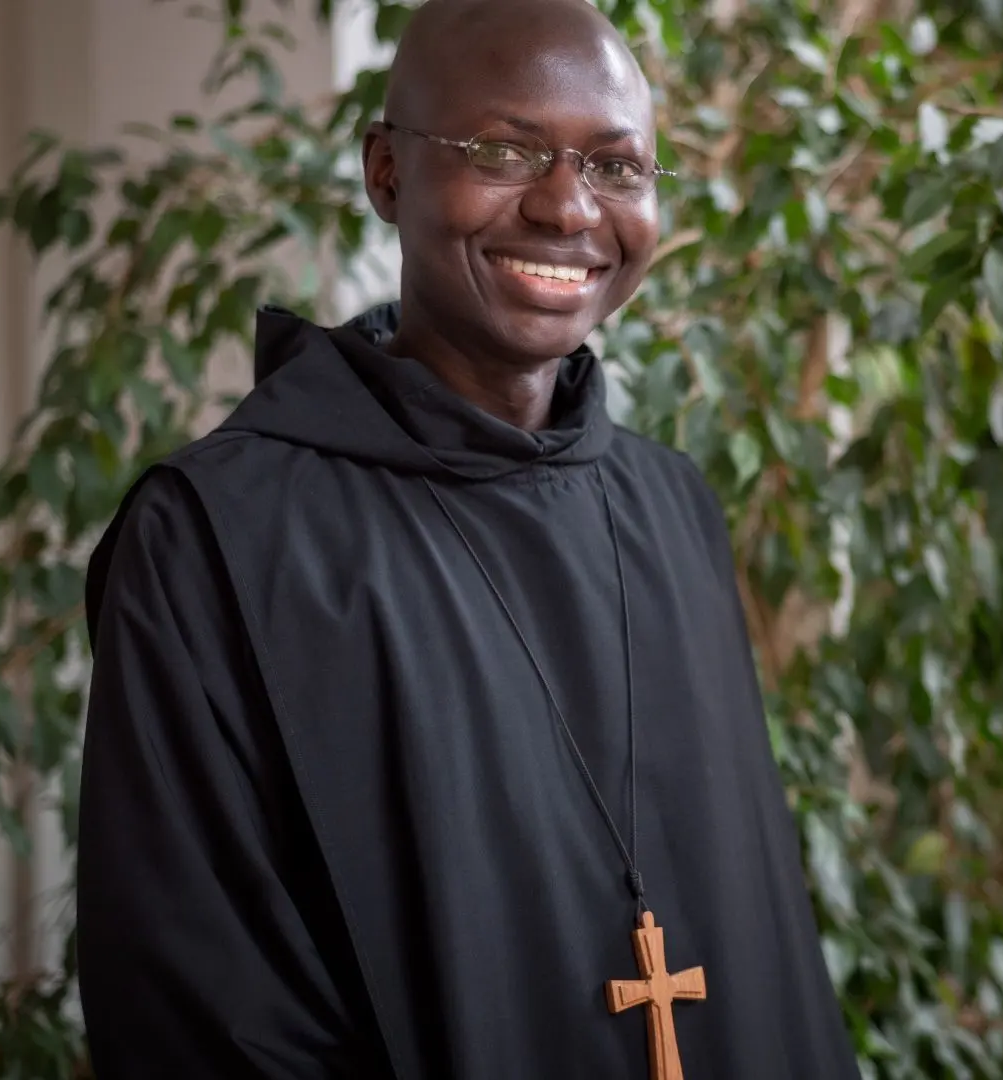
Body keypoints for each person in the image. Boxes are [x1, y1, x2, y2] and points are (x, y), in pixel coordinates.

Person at [73, 0, 860, 1076]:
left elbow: (763, 942)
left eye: (617, 167)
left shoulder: (675, 509)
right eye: (503, 149)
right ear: (387, 173)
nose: (567, 206)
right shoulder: (218, 537)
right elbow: (200, 1013)